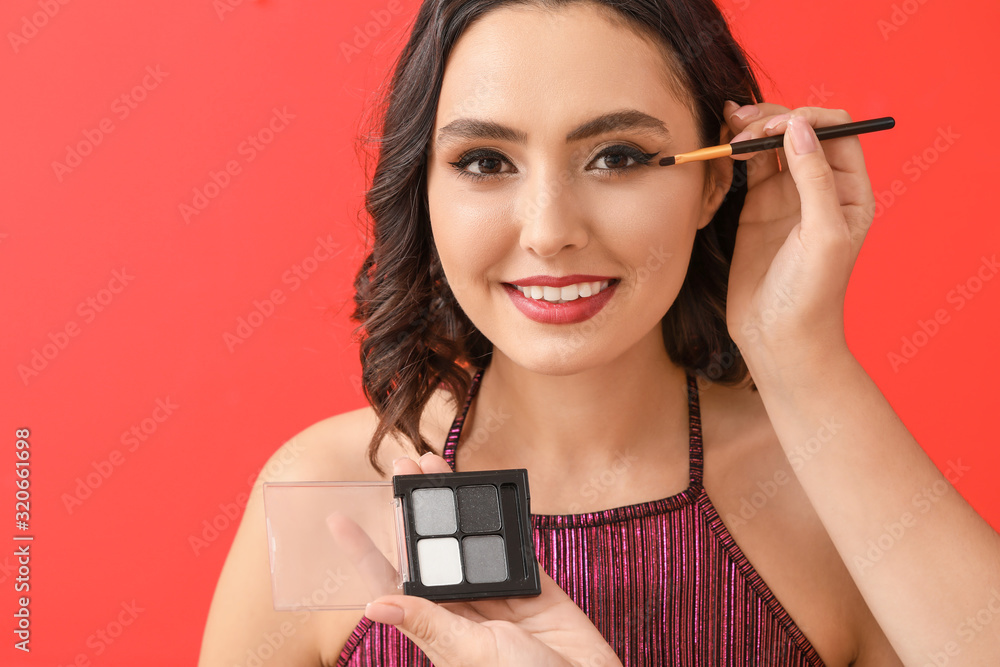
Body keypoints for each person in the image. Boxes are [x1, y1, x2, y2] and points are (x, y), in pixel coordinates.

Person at [198, 0, 1000, 665]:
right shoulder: (327, 495)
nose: (549, 231)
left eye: (616, 156)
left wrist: (799, 354)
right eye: (484, 161)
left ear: (718, 176)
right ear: (424, 185)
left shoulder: (823, 492)